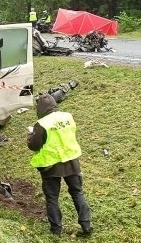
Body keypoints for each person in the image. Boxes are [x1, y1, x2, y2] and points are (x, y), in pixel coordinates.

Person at [27, 93, 93, 237]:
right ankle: (86, 224)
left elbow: (34, 145)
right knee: (77, 192)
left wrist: (30, 136)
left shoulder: (42, 123)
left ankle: (56, 230)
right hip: (71, 161)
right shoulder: (68, 116)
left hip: (51, 166)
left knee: (52, 198)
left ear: (41, 109)